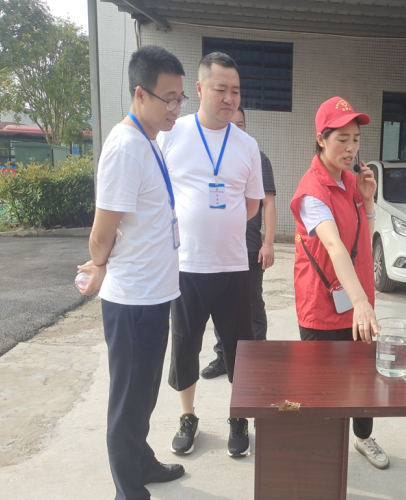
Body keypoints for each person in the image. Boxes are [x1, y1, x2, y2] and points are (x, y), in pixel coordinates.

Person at [77, 45, 187, 499]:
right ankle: (128, 490)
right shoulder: (125, 147)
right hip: (132, 301)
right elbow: (101, 233)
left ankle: (141, 463)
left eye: (180, 98)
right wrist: (99, 266)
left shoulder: (149, 141)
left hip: (153, 294)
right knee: (127, 402)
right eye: (168, 98)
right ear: (140, 94)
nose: (175, 108)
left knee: (143, 395)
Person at [158, 52, 264, 457]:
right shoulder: (172, 134)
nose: (230, 98)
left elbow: (252, 205)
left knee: (239, 348)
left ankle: (238, 417)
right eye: (221, 89)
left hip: (234, 266)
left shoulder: (247, 145)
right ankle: (188, 416)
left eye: (235, 90)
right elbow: (158, 194)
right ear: (200, 89)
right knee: (185, 344)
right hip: (186, 265)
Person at [289, 96, 389, 470]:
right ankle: (321, 452)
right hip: (324, 305)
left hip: (357, 300)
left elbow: (362, 237)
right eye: (342, 139)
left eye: (356, 139)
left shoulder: (352, 181)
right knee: (322, 386)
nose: (351, 148)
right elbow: (333, 246)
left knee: (363, 380)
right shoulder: (311, 191)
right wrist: (360, 301)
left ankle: (363, 438)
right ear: (321, 139)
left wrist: (368, 202)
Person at [201, 105, 277, 379]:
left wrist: (268, 243)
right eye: (230, 123)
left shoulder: (256, 156)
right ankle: (224, 357)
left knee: (252, 304)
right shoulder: (212, 159)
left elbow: (268, 203)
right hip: (218, 248)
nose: (235, 128)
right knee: (220, 305)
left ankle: (258, 357)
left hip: (249, 247)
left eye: (240, 124)